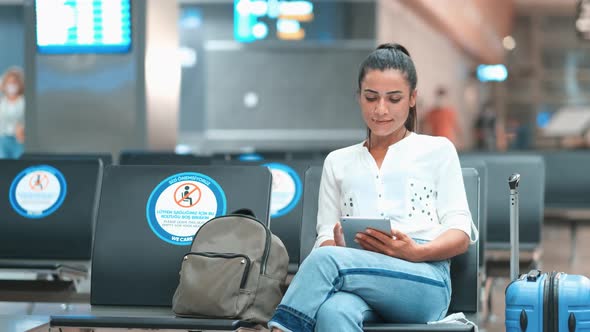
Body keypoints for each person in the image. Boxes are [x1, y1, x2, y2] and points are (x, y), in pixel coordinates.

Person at [268, 43, 478, 332]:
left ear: (413, 98)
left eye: (394, 99)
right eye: (371, 98)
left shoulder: (438, 150)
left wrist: (415, 251)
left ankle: (279, 328)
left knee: (327, 262)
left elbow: (460, 235)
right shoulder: (338, 162)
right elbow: (325, 239)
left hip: (424, 280)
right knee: (333, 311)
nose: (381, 110)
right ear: (359, 97)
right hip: (355, 278)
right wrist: (341, 248)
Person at [0, 67, 25, 158]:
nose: (11, 85)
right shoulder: (2, 102)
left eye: (14, 82)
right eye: (9, 82)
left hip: (19, 140)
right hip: (3, 138)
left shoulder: (24, 102)